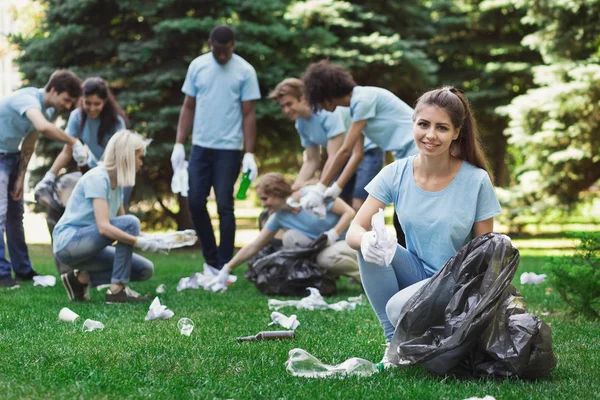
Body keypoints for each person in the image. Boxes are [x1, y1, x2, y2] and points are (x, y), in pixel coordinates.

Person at [345, 87, 502, 366]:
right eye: (423, 124)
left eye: (441, 127)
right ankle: (392, 344)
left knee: (400, 311)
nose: (430, 135)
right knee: (369, 245)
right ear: (413, 125)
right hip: (417, 274)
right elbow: (354, 230)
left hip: (456, 282)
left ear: (456, 133)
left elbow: (485, 254)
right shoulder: (395, 172)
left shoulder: (476, 180)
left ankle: (419, 339)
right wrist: (367, 240)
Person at [170, 25, 261, 276]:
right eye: (217, 50)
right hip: (200, 146)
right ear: (210, 44)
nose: (222, 56)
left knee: (224, 205)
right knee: (196, 202)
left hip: (229, 148)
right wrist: (179, 142)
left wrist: (249, 153)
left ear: (233, 45)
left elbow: (249, 113)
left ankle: (224, 264)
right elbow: (188, 106)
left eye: (226, 50)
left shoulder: (245, 71)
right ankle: (210, 261)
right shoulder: (198, 66)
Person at [300, 60, 417, 243]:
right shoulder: (357, 107)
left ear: (327, 96)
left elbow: (345, 150)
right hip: (406, 156)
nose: (320, 108)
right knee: (401, 219)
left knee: (404, 219)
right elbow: (357, 154)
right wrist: (335, 189)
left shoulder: (363, 99)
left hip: (417, 152)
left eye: (319, 103)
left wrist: (319, 188)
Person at [0, 70, 88, 288]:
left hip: (11, 157)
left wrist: (20, 177)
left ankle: (23, 270)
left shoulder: (48, 111)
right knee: (0, 213)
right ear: (53, 90)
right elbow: (42, 127)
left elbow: (29, 143)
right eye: (66, 100)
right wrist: (74, 142)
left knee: (15, 215)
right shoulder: (28, 99)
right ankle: (1, 274)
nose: (67, 107)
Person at [53, 130, 160, 303]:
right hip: (69, 244)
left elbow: (125, 227)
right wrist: (138, 242)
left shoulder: (116, 184)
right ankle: (117, 291)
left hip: (89, 246)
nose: (141, 163)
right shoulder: (98, 178)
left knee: (145, 269)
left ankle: (80, 279)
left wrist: (157, 240)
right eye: (139, 157)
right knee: (131, 222)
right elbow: (104, 227)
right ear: (127, 157)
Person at [206, 172, 360, 289]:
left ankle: (366, 278)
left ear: (277, 193)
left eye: (265, 198)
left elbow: (349, 212)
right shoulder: (279, 217)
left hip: (346, 240)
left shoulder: (311, 195)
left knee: (326, 259)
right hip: (323, 245)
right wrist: (226, 269)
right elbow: (255, 246)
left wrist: (333, 233)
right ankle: (322, 279)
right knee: (290, 238)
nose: (262, 204)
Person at [268, 78, 384, 210]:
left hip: (366, 153)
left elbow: (334, 156)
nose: (286, 110)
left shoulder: (326, 113)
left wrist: (319, 187)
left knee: (359, 204)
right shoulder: (300, 123)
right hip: (343, 158)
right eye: (283, 106)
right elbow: (311, 160)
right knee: (339, 203)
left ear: (303, 98)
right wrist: (296, 187)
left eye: (289, 104)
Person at [35, 77, 131, 207]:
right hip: (93, 170)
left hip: (118, 174)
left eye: (97, 104)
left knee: (114, 215)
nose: (92, 108)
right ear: (82, 100)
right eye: (88, 103)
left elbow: (121, 156)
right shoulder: (77, 117)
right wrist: (50, 176)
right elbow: (66, 152)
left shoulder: (116, 122)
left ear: (105, 102)